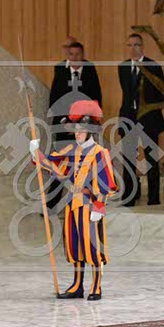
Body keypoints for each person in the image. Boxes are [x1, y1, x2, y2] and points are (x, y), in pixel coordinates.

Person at [29, 100, 117, 301]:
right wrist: (36, 153)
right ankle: (77, 285)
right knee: (75, 245)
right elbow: (54, 166)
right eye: (75, 130)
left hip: (90, 206)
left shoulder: (100, 153)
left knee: (92, 247)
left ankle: (96, 286)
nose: (77, 134)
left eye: (81, 131)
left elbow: (105, 182)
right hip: (72, 205)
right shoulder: (72, 151)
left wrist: (99, 206)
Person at [47, 41, 102, 211]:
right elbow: (55, 100)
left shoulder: (90, 70)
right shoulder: (60, 70)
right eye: (71, 54)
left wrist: (82, 126)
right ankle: (51, 206)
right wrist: (66, 123)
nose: (74, 58)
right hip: (64, 127)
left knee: (85, 165)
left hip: (84, 127)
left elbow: (95, 99)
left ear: (83, 55)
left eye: (78, 54)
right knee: (61, 166)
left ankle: (86, 204)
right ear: (67, 55)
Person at [117, 33, 164, 206]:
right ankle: (129, 197)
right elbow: (126, 94)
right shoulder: (123, 67)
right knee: (129, 159)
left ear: (142, 46)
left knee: (151, 159)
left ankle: (153, 197)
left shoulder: (154, 66)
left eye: (136, 45)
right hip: (129, 117)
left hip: (149, 119)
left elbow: (162, 93)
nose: (133, 48)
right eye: (130, 45)